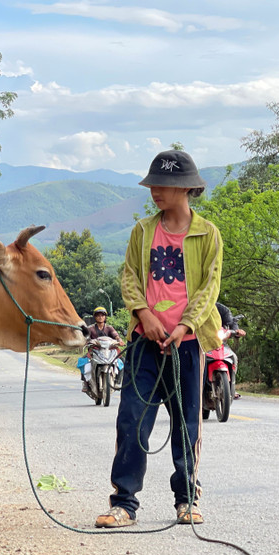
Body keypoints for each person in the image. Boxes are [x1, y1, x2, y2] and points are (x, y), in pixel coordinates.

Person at [95, 149, 222, 528]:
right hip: (144, 343)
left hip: (187, 344)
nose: (155, 191)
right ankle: (124, 504)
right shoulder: (143, 231)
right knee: (131, 420)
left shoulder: (208, 234)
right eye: (153, 184)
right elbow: (129, 277)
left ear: (186, 189)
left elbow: (209, 287)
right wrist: (144, 314)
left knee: (187, 425)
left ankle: (187, 499)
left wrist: (185, 326)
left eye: (163, 185)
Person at [80, 306, 123, 395]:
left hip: (109, 351)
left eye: (102, 315)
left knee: (122, 361)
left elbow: (116, 336)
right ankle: (85, 383)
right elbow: (86, 337)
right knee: (83, 362)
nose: (100, 317)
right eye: (98, 315)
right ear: (95, 317)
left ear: (105, 317)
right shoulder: (90, 328)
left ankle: (118, 382)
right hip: (95, 351)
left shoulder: (109, 328)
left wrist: (120, 340)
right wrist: (86, 341)